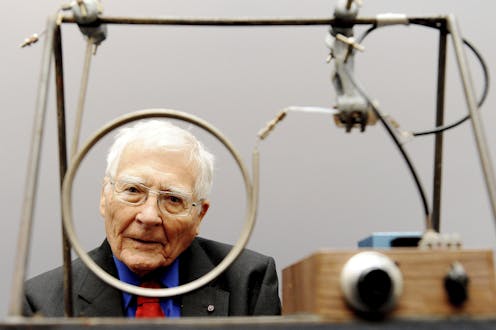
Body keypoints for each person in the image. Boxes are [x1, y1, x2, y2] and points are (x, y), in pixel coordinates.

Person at [23, 119, 281, 317]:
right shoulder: (42, 301)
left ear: (198, 216)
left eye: (172, 199)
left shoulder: (249, 283)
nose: (149, 217)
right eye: (133, 191)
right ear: (105, 197)